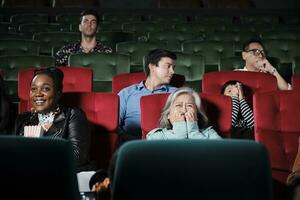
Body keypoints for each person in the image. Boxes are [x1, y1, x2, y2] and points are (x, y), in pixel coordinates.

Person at [14, 67, 90, 171]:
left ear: (58, 94)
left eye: (45, 89)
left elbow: (77, 157)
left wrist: (36, 155)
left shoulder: (73, 115)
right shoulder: (23, 119)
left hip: (62, 174)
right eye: (33, 89)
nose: (38, 94)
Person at [118, 49, 177, 141]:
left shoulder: (176, 94)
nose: (172, 71)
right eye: (168, 66)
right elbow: (114, 124)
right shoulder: (126, 93)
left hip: (165, 144)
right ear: (152, 67)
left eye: (173, 67)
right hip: (131, 143)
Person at [146, 87, 221, 140]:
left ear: (197, 114)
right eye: (178, 105)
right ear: (168, 114)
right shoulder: (157, 135)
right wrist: (180, 130)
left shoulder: (209, 133)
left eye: (189, 106)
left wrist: (193, 132)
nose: (184, 110)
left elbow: (220, 154)